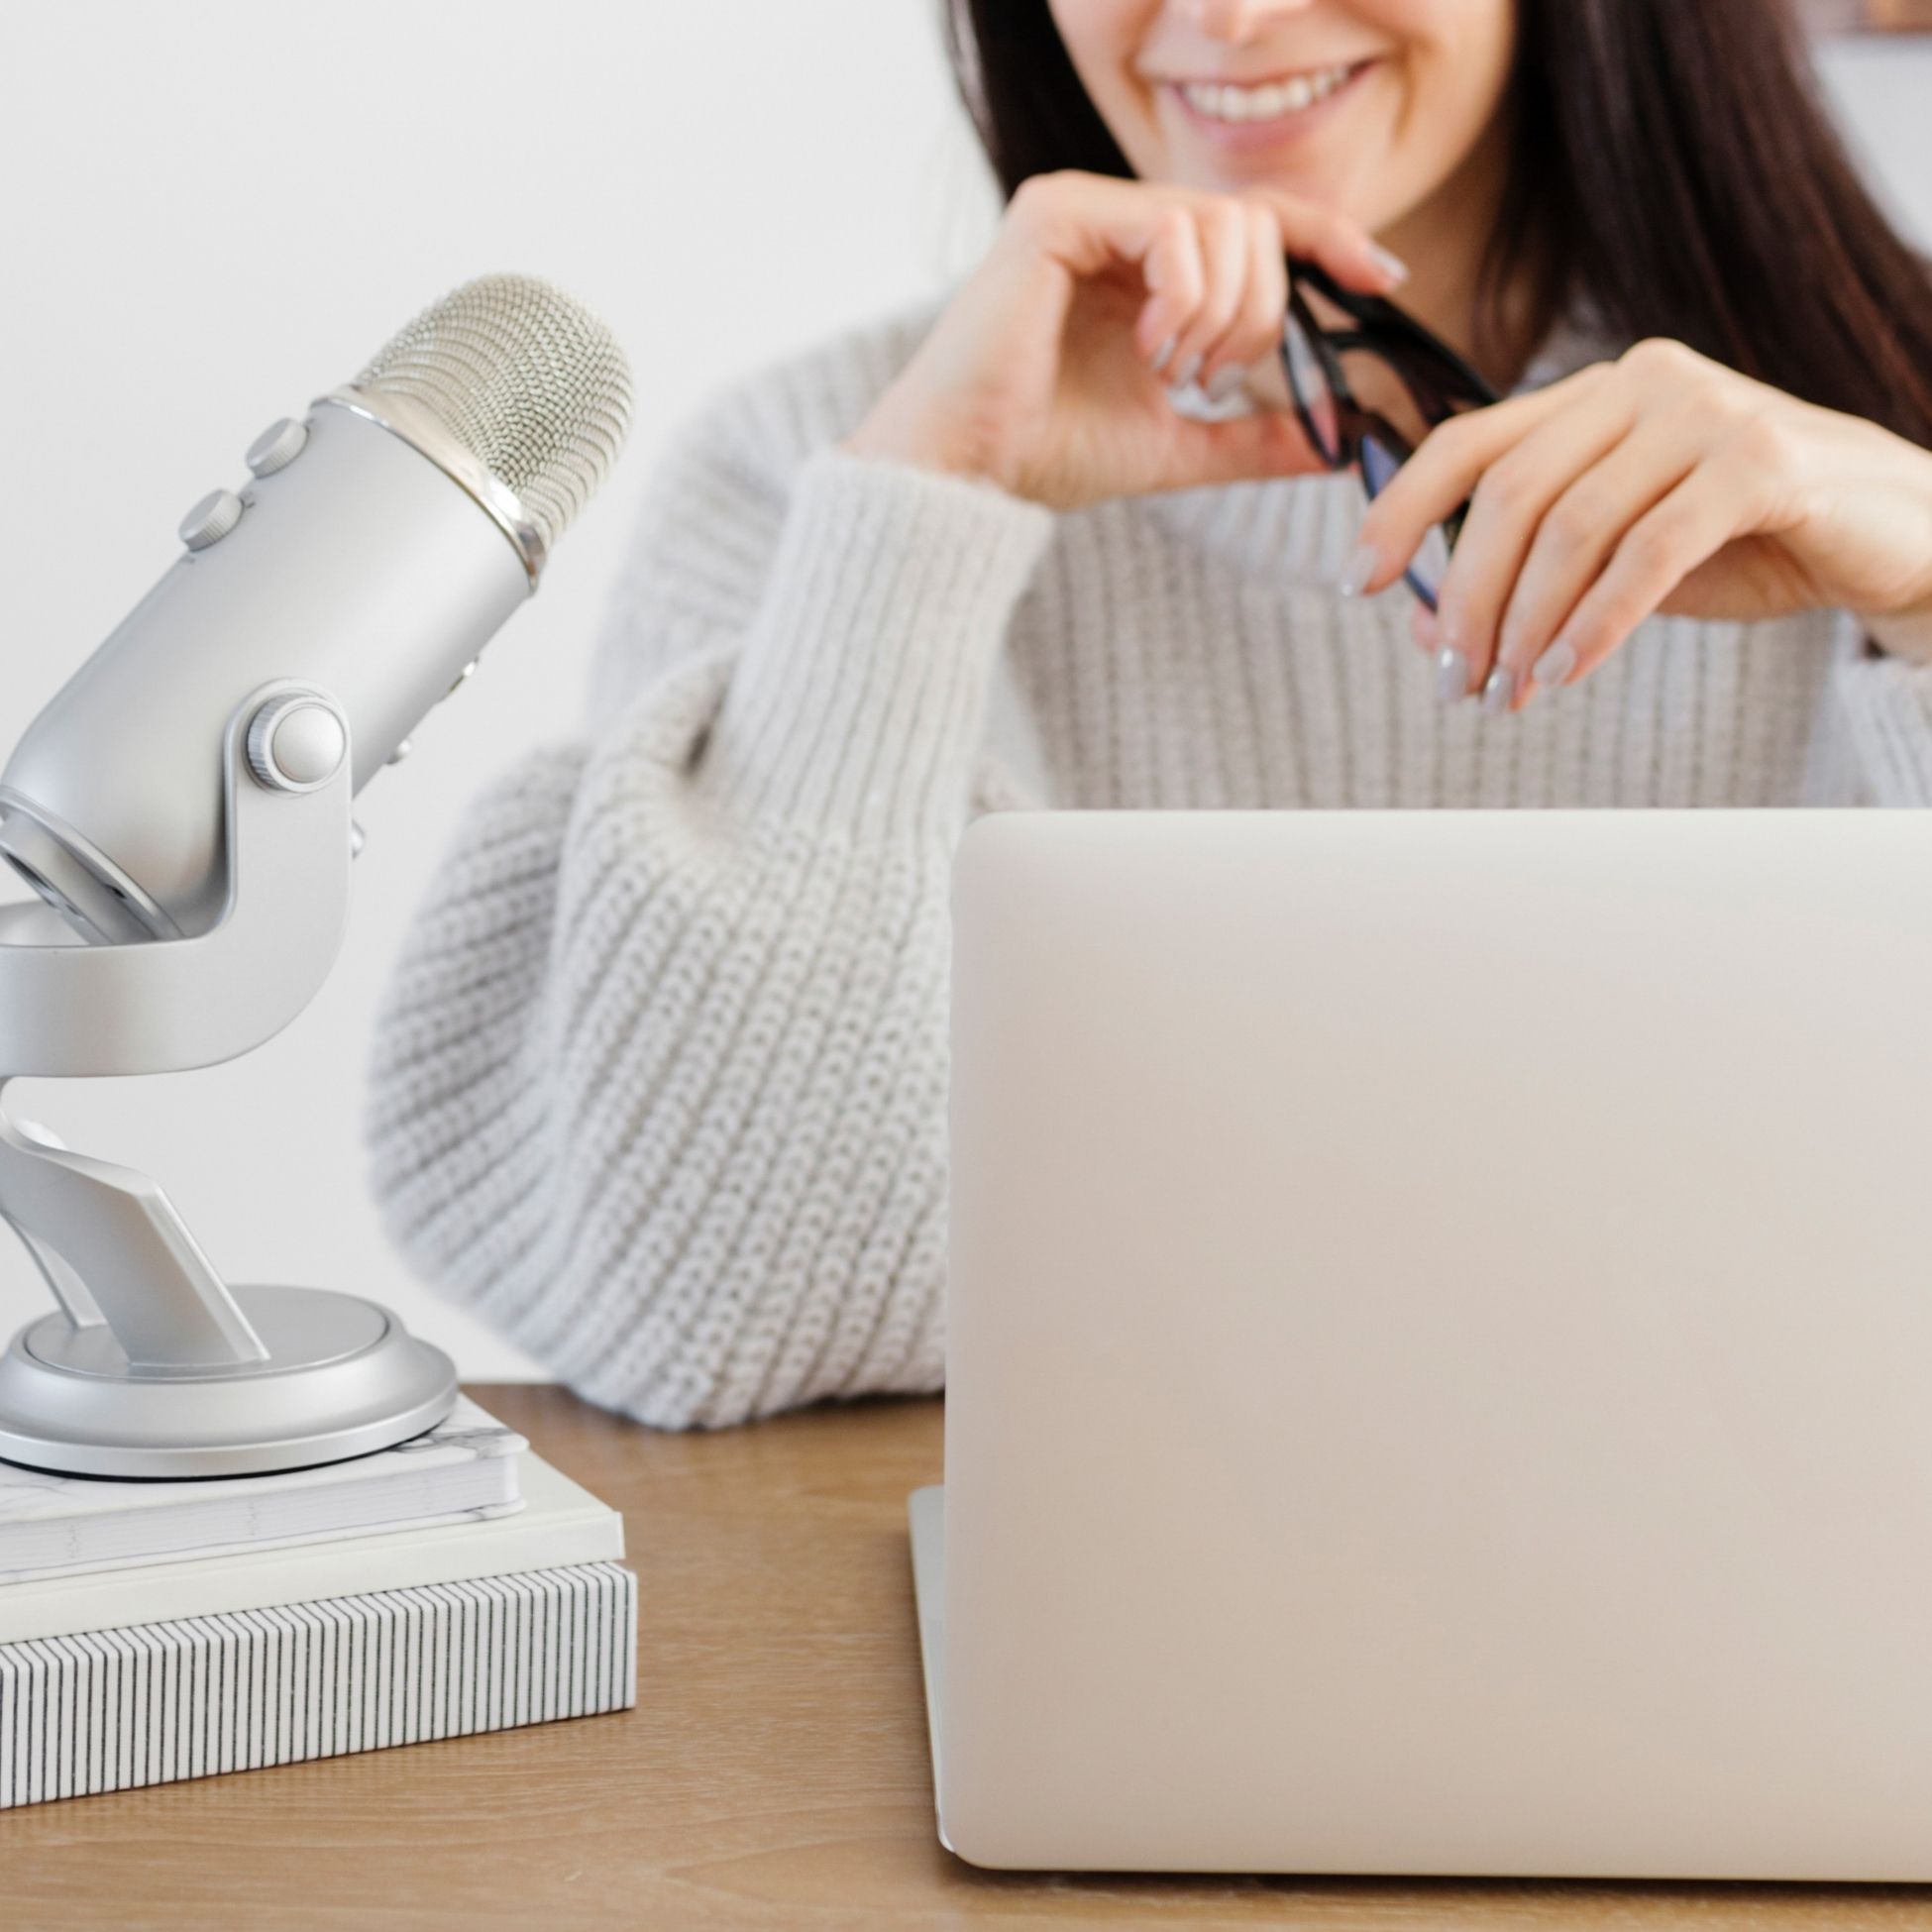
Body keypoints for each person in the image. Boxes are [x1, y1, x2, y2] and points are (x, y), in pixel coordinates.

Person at [366, 0, 1932, 1430]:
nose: (1233, 21)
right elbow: (704, 1311)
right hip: (1065, 1671)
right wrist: (923, 521)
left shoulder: (1879, 460)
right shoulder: (821, 473)